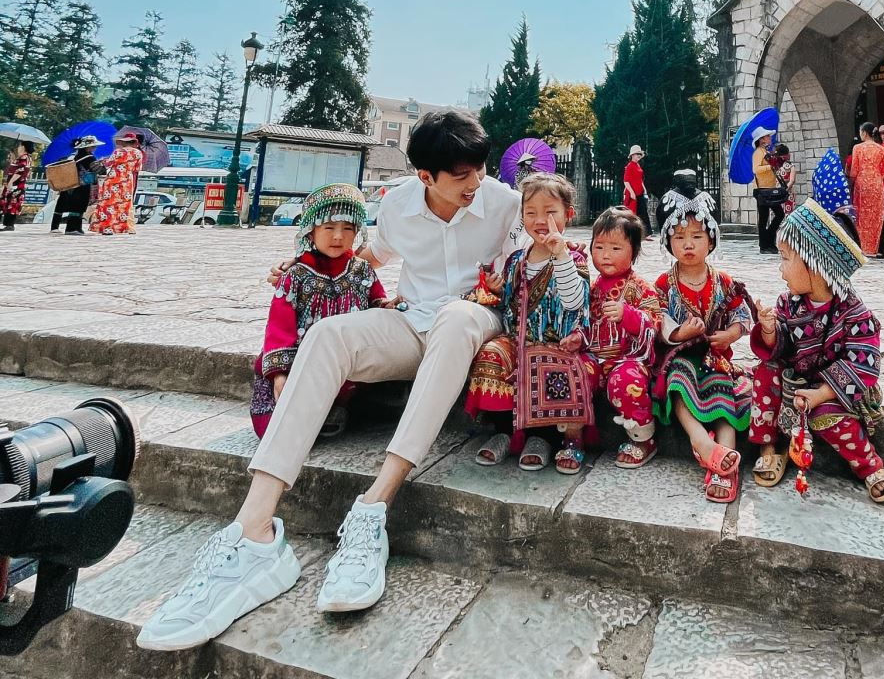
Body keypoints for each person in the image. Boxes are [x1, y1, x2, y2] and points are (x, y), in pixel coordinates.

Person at [138, 109, 521, 652]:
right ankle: (254, 531)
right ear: (425, 176)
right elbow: (370, 257)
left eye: (480, 169)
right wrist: (302, 268)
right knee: (328, 334)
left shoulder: (504, 204)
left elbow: (533, 262)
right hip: (412, 322)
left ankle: (373, 507)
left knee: (457, 318)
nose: (475, 182)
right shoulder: (398, 206)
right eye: (461, 175)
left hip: (474, 321)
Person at [748, 199, 884, 502]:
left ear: (814, 263)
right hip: (794, 383)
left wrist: (821, 394)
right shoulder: (788, 303)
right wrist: (769, 330)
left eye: (786, 258)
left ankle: (870, 466)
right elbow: (781, 348)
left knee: (825, 417)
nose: (781, 269)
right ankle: (770, 448)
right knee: (765, 373)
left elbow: (864, 364)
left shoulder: (855, 313)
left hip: (835, 392)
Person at [464, 171, 591, 474]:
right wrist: (497, 290)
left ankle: (543, 437)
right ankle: (503, 431)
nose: (540, 220)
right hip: (518, 338)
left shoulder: (573, 258)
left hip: (556, 341)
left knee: (545, 361)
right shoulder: (516, 260)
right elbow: (510, 302)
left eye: (550, 212)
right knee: (492, 353)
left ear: (568, 215)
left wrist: (560, 255)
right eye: (531, 212)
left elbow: (574, 301)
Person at [250, 184, 397, 439]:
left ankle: (340, 409)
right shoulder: (295, 275)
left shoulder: (362, 270)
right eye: (329, 228)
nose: (338, 236)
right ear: (311, 230)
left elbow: (376, 303)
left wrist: (387, 307)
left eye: (348, 228)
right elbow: (279, 328)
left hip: (348, 361)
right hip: (302, 361)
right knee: (277, 422)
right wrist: (279, 374)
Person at [652, 184, 753, 504]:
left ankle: (726, 461)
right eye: (679, 237)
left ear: (711, 240)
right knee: (677, 382)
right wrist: (680, 333)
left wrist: (731, 334)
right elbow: (656, 318)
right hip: (681, 358)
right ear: (668, 242)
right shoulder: (665, 284)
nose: (688, 244)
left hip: (717, 360)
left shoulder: (723, 282)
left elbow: (742, 313)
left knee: (725, 397)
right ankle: (703, 443)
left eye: (696, 236)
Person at [582, 205, 662, 468]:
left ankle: (643, 438)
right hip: (594, 357)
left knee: (626, 381)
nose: (605, 255)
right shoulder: (590, 288)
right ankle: (573, 435)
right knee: (574, 371)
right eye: (599, 247)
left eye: (616, 248)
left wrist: (628, 315)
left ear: (634, 252)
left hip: (628, 359)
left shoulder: (639, 288)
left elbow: (654, 323)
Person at [848, 122, 884, 257]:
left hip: (861, 185)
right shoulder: (882, 149)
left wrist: (851, 181)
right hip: (877, 184)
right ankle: (880, 249)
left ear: (864, 133)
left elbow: (854, 171)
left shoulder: (857, 148)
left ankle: (863, 247)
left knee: (861, 215)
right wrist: (877, 178)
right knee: (878, 215)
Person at [90, 129, 143, 236]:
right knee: (124, 204)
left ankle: (107, 228)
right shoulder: (138, 153)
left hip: (113, 179)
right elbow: (137, 169)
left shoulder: (118, 152)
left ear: (124, 142)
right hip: (127, 181)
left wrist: (103, 160)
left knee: (109, 203)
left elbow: (108, 163)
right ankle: (125, 227)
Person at [50, 136, 105, 236]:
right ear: (87, 147)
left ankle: (76, 228)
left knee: (75, 206)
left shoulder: (77, 156)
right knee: (79, 206)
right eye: (93, 146)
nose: (95, 148)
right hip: (83, 185)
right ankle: (72, 228)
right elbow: (98, 170)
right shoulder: (89, 157)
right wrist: (102, 165)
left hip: (73, 184)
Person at [752, 127, 785, 253]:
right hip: (762, 189)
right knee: (764, 218)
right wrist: (769, 166)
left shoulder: (766, 152)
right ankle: (764, 245)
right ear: (761, 139)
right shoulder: (758, 153)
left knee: (779, 215)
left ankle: (769, 240)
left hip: (770, 188)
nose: (769, 138)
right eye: (767, 136)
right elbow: (756, 169)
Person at [1, 140, 33, 230]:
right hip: (18, 185)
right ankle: (8, 225)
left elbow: (21, 170)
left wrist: (11, 182)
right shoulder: (26, 157)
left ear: (23, 147)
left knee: (12, 203)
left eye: (19, 146)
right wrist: (13, 158)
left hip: (16, 185)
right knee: (11, 203)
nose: (18, 148)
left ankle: (9, 225)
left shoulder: (23, 157)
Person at [622, 144, 651, 235]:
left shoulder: (638, 165)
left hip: (640, 193)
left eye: (640, 154)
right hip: (633, 194)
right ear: (632, 155)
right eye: (637, 154)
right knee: (632, 214)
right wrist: (631, 193)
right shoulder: (629, 166)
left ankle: (646, 233)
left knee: (643, 213)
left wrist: (644, 189)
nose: (639, 155)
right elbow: (626, 181)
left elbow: (640, 179)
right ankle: (631, 233)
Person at [768, 142, 796, 213]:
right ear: (787, 155)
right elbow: (792, 181)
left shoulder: (773, 166)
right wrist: (785, 191)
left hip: (775, 193)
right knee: (788, 213)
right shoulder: (791, 166)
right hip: (787, 193)